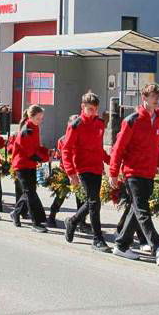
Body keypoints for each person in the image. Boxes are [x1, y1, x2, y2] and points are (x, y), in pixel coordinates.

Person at [109, 83, 159, 266]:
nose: (157, 100)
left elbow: (155, 147)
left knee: (135, 210)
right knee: (143, 210)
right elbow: (118, 148)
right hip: (133, 172)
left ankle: (121, 245)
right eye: (154, 97)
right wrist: (113, 172)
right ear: (144, 98)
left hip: (149, 172)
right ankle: (158, 248)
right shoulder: (132, 120)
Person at [63, 92, 111, 253]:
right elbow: (66, 149)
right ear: (83, 107)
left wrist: (110, 162)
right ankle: (98, 239)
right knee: (94, 202)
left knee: (93, 201)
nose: (93, 112)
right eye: (90, 109)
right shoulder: (76, 124)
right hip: (82, 167)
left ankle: (73, 220)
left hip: (96, 166)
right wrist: (71, 172)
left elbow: (99, 147)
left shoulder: (99, 123)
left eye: (95, 109)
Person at [9, 105, 50, 233]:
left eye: (41, 118)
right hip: (22, 165)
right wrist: (44, 158)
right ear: (30, 117)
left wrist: (47, 152)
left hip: (29, 164)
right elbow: (31, 153)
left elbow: (37, 147)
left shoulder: (35, 128)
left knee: (29, 191)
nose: (40, 121)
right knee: (30, 192)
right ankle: (35, 222)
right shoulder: (26, 131)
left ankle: (16, 213)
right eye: (38, 118)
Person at [48, 121, 89, 231]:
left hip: (79, 171)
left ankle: (81, 222)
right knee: (60, 195)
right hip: (66, 171)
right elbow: (60, 155)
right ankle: (52, 216)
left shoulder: (83, 138)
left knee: (81, 198)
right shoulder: (62, 139)